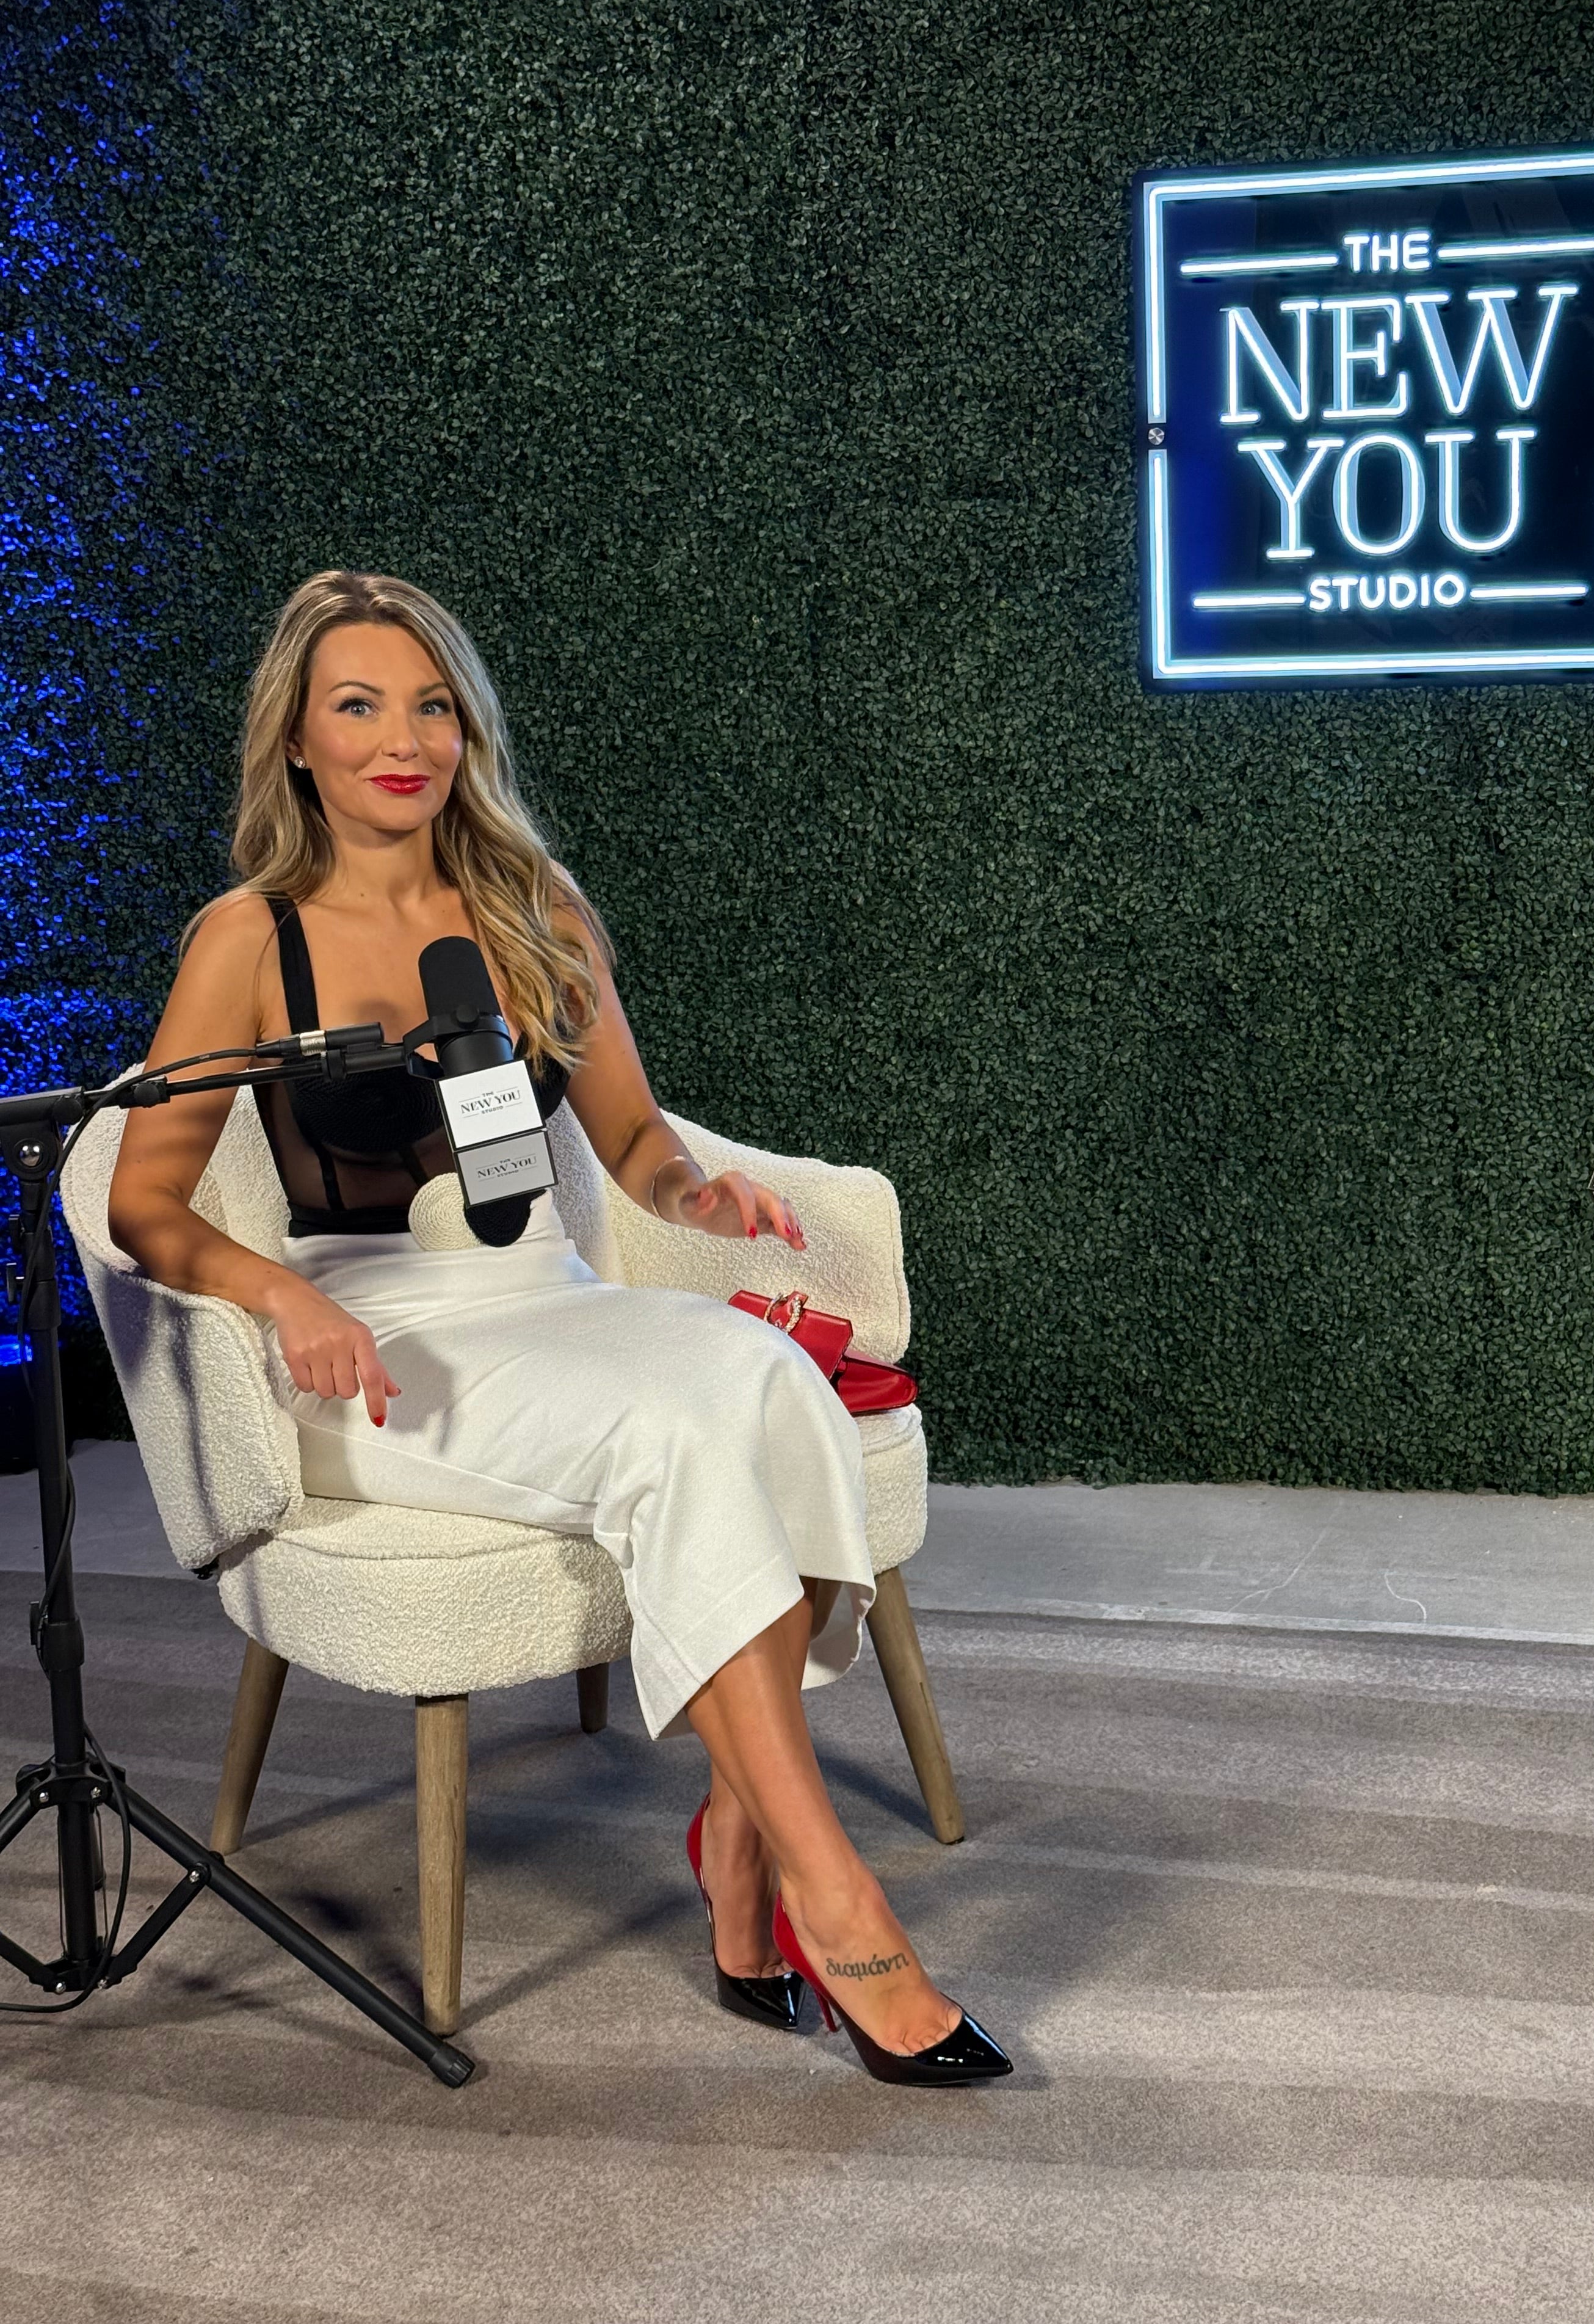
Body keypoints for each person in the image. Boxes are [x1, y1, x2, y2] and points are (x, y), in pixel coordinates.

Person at [108, 568, 1008, 2086]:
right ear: (298, 742)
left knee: (765, 1379)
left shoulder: (535, 907)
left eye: (433, 707)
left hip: (548, 1299)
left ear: (466, 730)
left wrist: (694, 1193)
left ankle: (738, 1842)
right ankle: (838, 1903)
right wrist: (280, 1292)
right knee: (676, 1432)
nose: (404, 741)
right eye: (359, 707)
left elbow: (633, 1138)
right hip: (377, 1341)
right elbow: (145, 1202)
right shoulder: (248, 939)